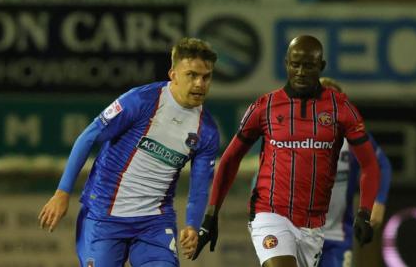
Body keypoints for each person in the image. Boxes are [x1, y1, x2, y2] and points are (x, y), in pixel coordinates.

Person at [192, 35, 381, 267]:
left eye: (308, 66)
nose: (300, 71)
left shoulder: (341, 109)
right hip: (269, 214)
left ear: (320, 67)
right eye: (295, 64)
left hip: (313, 226)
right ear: (286, 64)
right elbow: (231, 159)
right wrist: (211, 214)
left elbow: (370, 165)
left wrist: (364, 211)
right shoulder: (264, 107)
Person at [38, 37, 219, 267]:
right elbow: (89, 136)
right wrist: (62, 193)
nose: (200, 84)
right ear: (173, 74)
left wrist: (192, 225)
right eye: (192, 75)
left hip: (154, 223)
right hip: (104, 216)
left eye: (206, 77)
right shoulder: (140, 101)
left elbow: (200, 184)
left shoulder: (207, 130)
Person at [318, 77, 392, 267]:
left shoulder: (352, 135)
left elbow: (381, 164)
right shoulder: (294, 134)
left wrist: (379, 201)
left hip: (338, 236)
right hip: (299, 234)